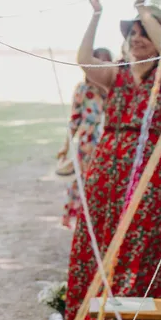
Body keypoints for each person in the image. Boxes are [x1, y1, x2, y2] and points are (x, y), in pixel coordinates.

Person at [64, 0, 161, 320]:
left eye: (143, 33)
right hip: (106, 170)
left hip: (146, 173)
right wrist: (95, 15)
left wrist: (143, 7)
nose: (137, 38)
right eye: (132, 34)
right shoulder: (115, 74)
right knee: (99, 245)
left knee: (141, 250)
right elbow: (83, 59)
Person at [56, 47, 110, 228]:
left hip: (110, 146)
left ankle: (101, 218)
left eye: (104, 64)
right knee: (83, 181)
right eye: (96, 63)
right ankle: (76, 216)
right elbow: (74, 121)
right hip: (88, 146)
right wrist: (65, 146)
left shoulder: (115, 90)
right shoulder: (83, 89)